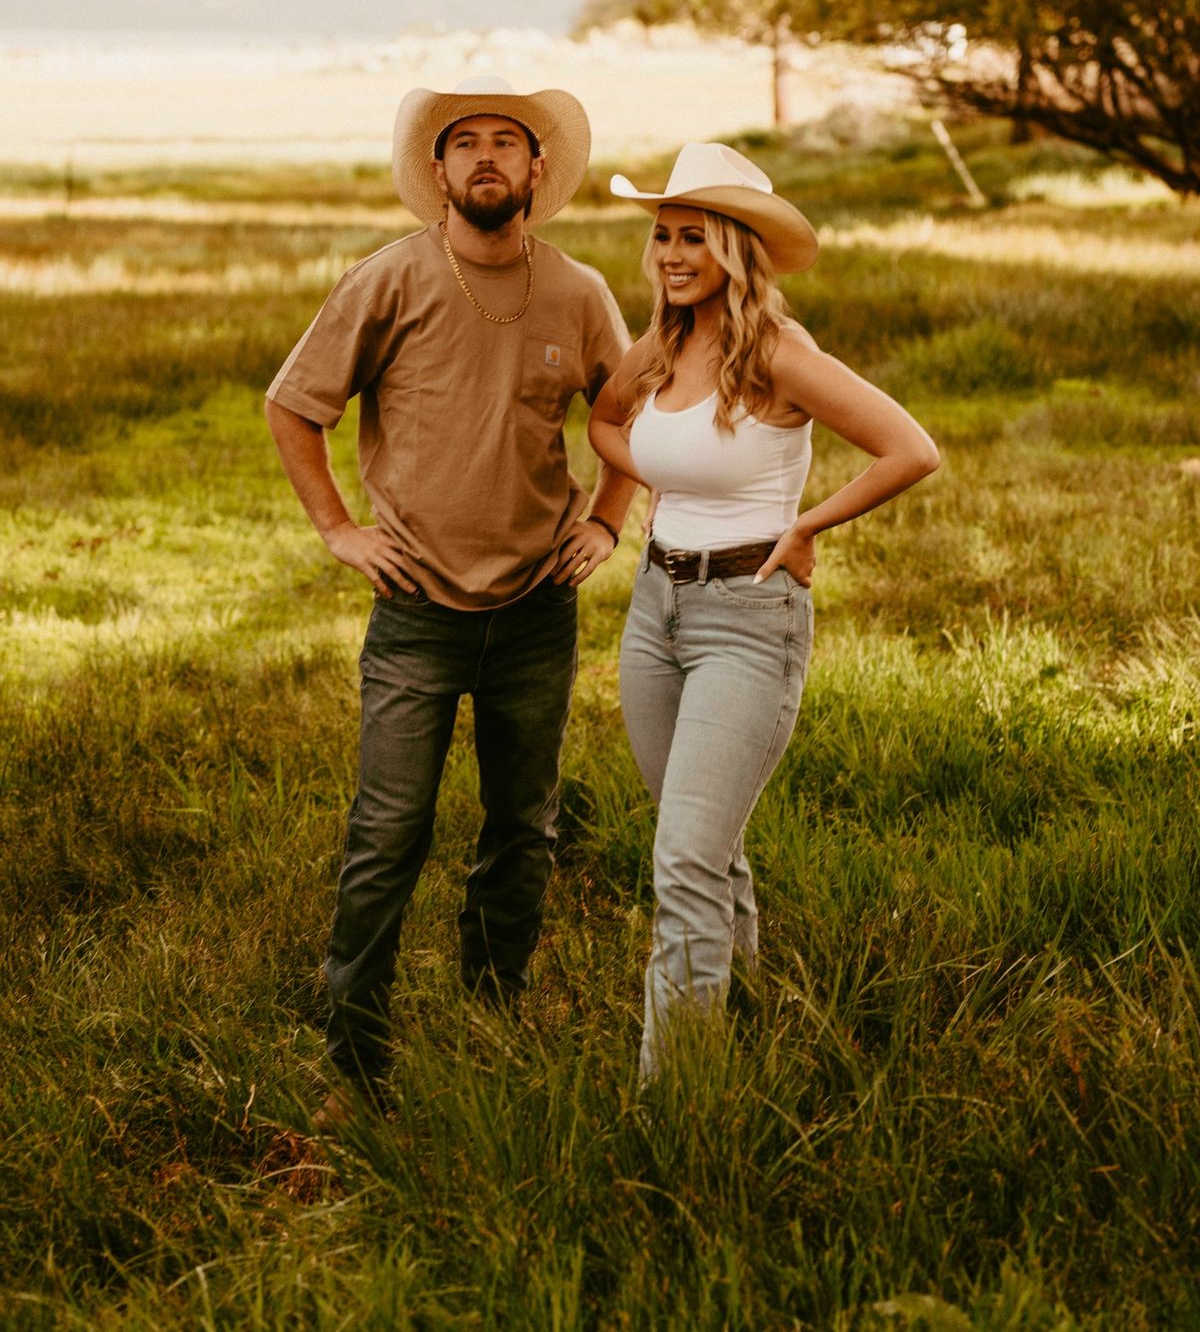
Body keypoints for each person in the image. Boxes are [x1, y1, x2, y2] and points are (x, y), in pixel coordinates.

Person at [266, 75, 636, 1121]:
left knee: (523, 824)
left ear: (535, 169)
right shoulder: (387, 280)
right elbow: (295, 407)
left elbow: (624, 418)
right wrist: (340, 530)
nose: (483, 159)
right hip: (418, 611)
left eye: (504, 144)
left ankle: (493, 1011)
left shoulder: (578, 293)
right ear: (438, 171)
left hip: (534, 611)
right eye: (462, 143)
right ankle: (354, 1048)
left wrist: (607, 520)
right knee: (391, 827)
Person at [588, 142, 939, 1078]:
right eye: (662, 235)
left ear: (735, 247)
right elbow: (601, 420)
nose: (670, 253)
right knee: (700, 848)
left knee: (685, 868)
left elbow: (909, 447)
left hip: (749, 613)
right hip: (655, 608)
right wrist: (651, 476)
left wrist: (810, 524)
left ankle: (674, 1099)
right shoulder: (661, 346)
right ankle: (738, 1030)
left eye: (692, 236)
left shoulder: (780, 354)